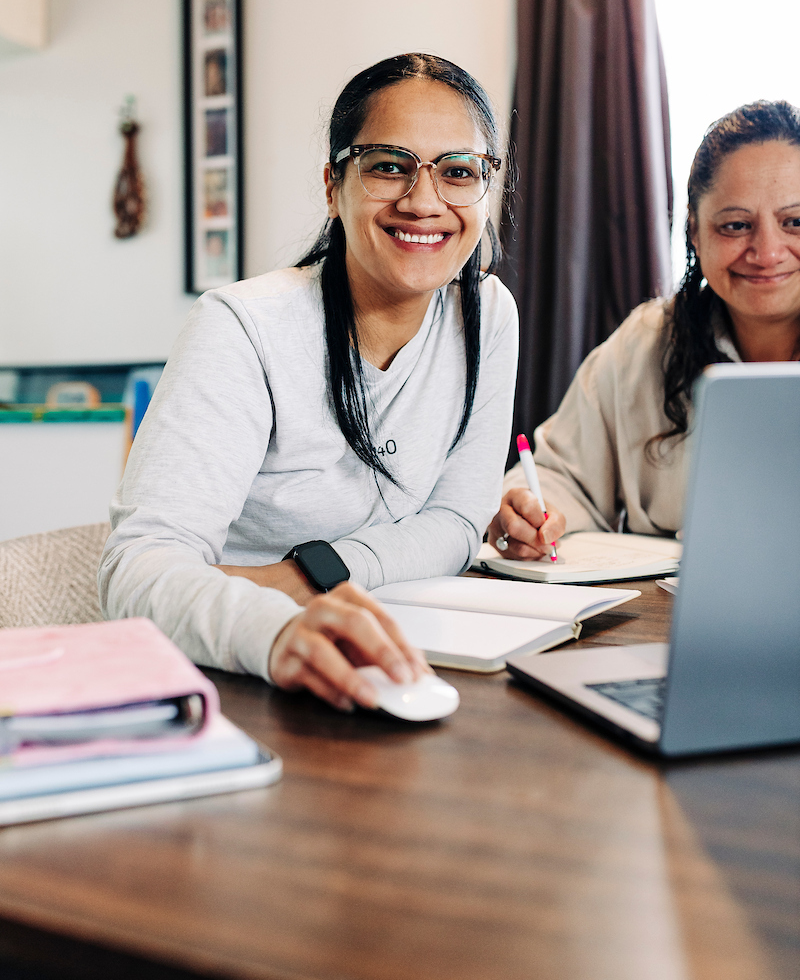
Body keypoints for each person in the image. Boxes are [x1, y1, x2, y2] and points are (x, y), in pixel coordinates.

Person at [100, 54, 518, 710]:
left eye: (459, 172)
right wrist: (277, 624)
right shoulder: (242, 327)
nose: (424, 201)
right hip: (232, 671)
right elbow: (138, 571)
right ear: (333, 185)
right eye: (388, 164)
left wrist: (308, 574)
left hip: (407, 652)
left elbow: (459, 520)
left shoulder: (489, 314)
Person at [488, 99, 800, 558]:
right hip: (666, 610)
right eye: (736, 225)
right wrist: (529, 511)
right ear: (694, 232)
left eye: (795, 221)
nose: (767, 252)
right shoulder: (647, 342)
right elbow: (560, 476)